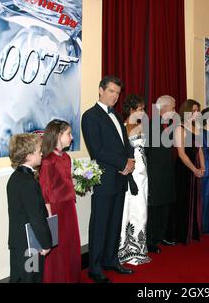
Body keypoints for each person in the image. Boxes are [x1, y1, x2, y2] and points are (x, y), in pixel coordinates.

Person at [81, 76, 135, 283]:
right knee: (100, 224)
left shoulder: (116, 116)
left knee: (114, 223)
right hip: (105, 179)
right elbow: (97, 150)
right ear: (100, 90)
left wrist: (129, 159)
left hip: (120, 178)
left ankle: (111, 260)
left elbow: (125, 143)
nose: (115, 96)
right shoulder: (90, 116)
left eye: (117, 93)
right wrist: (123, 164)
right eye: (111, 91)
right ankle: (94, 268)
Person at [39, 119, 81, 283]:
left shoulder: (66, 158)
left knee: (70, 245)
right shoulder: (48, 160)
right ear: (58, 135)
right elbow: (45, 190)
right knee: (58, 248)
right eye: (69, 134)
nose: (71, 137)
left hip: (69, 206)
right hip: (56, 210)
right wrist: (49, 216)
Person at [7, 134, 52, 283]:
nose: (41, 153)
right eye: (39, 150)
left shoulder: (14, 178)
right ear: (28, 155)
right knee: (32, 278)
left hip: (18, 243)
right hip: (30, 246)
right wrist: (46, 243)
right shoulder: (28, 182)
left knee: (19, 277)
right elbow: (36, 218)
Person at [118, 94, 151, 265]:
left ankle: (139, 248)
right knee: (131, 208)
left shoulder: (141, 126)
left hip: (143, 172)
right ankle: (127, 250)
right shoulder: (124, 127)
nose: (143, 112)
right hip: (133, 172)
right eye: (140, 109)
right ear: (131, 110)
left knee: (141, 209)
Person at [146, 95, 178, 253]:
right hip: (154, 175)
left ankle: (161, 236)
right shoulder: (150, 125)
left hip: (167, 174)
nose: (175, 111)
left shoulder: (169, 126)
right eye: (173, 108)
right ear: (164, 108)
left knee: (165, 207)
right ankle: (150, 241)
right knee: (154, 210)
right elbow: (145, 153)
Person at [174, 99, 205, 244]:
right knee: (184, 201)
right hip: (184, 169)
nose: (196, 113)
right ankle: (182, 234)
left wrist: (203, 167)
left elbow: (200, 151)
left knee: (196, 200)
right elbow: (181, 154)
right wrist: (194, 169)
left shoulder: (196, 128)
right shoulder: (179, 128)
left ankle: (193, 231)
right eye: (194, 110)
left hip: (196, 167)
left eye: (198, 110)